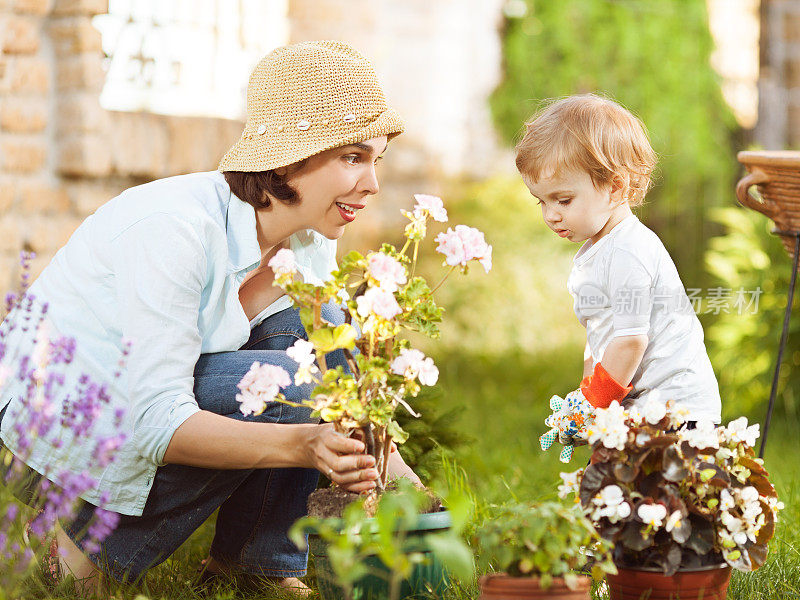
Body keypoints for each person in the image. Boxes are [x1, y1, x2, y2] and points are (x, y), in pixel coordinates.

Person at [0, 40, 420, 595]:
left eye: (375, 160)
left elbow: (339, 373)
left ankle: (259, 564)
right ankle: (74, 552)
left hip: (145, 395)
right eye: (353, 158)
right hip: (56, 428)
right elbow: (159, 420)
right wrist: (303, 443)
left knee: (320, 338)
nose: (373, 184)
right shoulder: (174, 229)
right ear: (292, 157)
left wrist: (406, 487)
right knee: (292, 387)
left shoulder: (309, 238)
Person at [515, 94, 721, 428]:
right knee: (607, 474)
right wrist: (589, 394)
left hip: (676, 409)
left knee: (645, 479)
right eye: (540, 202)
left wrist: (592, 407)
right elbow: (600, 335)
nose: (551, 215)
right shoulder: (599, 249)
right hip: (643, 404)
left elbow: (629, 341)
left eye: (563, 200)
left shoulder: (628, 251)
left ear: (614, 188)